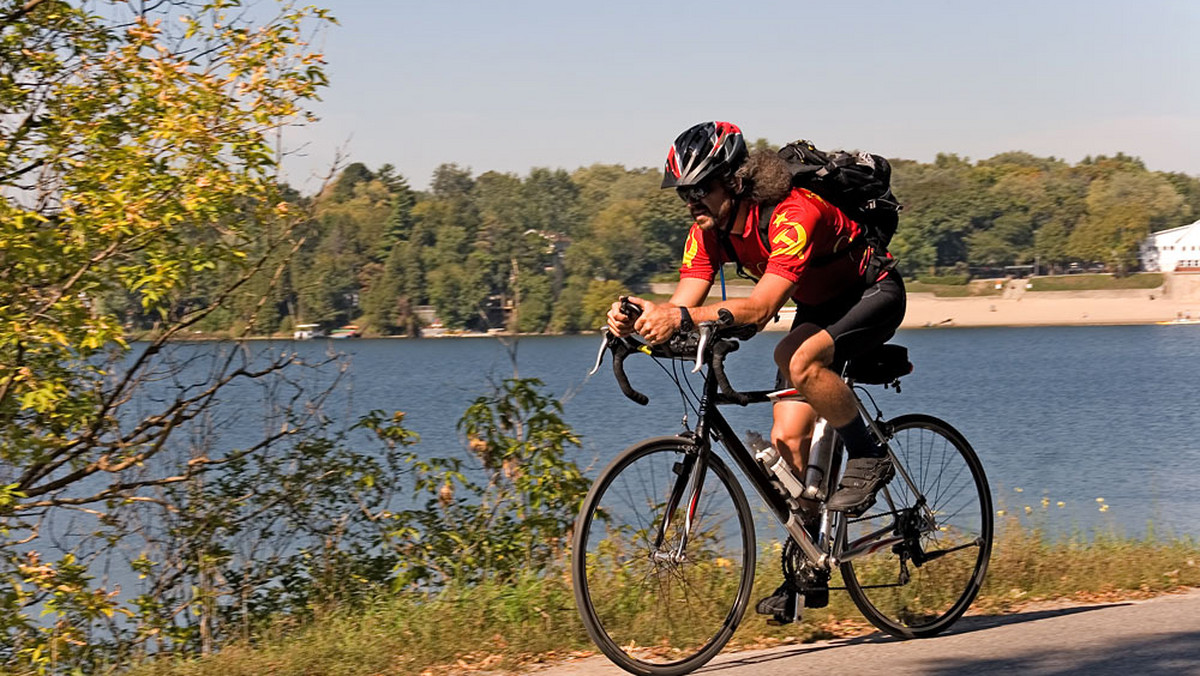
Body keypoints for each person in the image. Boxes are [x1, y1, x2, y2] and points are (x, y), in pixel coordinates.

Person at [606, 121, 906, 619]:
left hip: (872, 294)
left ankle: (869, 453)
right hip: (816, 306)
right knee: (786, 442)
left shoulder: (792, 214)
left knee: (795, 356)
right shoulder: (707, 233)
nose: (690, 201)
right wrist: (638, 319)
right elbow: (684, 302)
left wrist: (679, 317)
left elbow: (763, 307)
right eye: (684, 192)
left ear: (735, 181)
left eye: (700, 188)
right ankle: (810, 565)